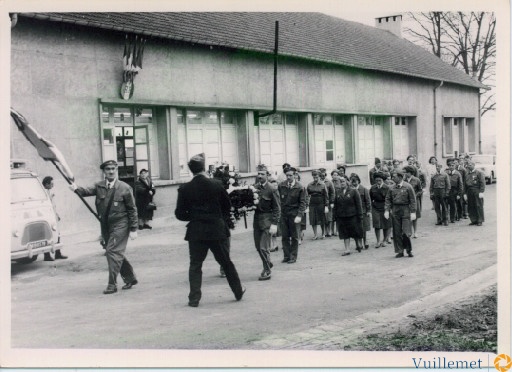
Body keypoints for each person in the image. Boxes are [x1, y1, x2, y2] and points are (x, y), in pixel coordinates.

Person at [175, 153, 245, 307]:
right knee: (226, 262)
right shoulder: (216, 184)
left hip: (196, 231)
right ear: (203, 168)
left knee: (195, 265)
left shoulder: (185, 188)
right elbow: (227, 206)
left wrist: (194, 216)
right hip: (216, 230)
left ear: (191, 170)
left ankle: (194, 299)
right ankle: (238, 291)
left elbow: (179, 214)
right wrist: (218, 218)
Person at [70, 160, 138, 294]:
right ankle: (130, 278)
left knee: (112, 251)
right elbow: (86, 191)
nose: (111, 171)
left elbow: (132, 209)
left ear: (116, 170)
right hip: (106, 225)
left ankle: (112, 284)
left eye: (113, 169)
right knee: (114, 251)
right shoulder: (99, 186)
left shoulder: (124, 188)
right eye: (108, 169)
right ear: (104, 172)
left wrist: (134, 228)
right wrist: (75, 188)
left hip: (121, 224)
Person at [253, 165, 280, 281]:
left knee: (264, 247)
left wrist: (275, 223)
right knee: (258, 247)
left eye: (262, 174)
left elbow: (277, 208)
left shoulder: (272, 189)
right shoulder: (254, 188)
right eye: (258, 174)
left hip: (267, 220)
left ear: (267, 176)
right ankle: (268, 261)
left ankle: (267, 270)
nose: (259, 176)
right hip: (257, 220)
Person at [384, 170, 417, 258]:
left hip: (405, 209)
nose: (392, 178)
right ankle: (400, 250)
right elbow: (388, 199)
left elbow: (413, 200)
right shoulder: (391, 188)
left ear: (400, 177)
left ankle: (409, 250)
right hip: (395, 210)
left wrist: (413, 212)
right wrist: (387, 210)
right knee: (397, 231)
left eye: (394, 176)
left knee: (406, 231)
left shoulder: (408, 187)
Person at [278, 167, 307, 263]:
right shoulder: (281, 185)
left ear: (295, 175)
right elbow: (278, 200)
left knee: (294, 236)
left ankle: (293, 256)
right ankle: (286, 256)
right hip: (284, 213)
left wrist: (299, 215)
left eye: (290, 175)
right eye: (287, 175)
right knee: (284, 236)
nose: (288, 177)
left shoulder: (300, 187)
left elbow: (303, 203)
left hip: (294, 214)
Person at [333, 176, 363, 256]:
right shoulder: (338, 192)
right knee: (344, 232)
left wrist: (360, 215)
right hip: (341, 216)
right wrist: (335, 215)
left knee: (355, 231)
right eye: (340, 182)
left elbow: (358, 205)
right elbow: (335, 205)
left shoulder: (353, 191)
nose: (342, 183)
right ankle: (347, 249)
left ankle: (358, 244)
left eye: (343, 182)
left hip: (352, 215)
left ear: (347, 182)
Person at [42, 176, 68, 261]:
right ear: (46, 184)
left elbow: (53, 206)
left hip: (53, 216)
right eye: (51, 184)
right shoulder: (43, 193)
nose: (53, 185)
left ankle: (58, 253)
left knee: (57, 234)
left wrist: (56, 214)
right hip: (47, 217)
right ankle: (47, 255)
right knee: (47, 236)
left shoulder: (49, 192)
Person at [369, 172, 392, 248]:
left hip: (385, 207)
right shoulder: (372, 188)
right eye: (376, 180)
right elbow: (370, 198)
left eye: (380, 180)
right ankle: (378, 241)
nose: (378, 182)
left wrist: (388, 209)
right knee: (377, 225)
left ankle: (384, 240)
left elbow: (390, 199)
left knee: (386, 224)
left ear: (383, 180)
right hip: (375, 207)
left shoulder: (387, 188)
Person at [350, 173, 371, 249]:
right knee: (355, 228)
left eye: (355, 181)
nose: (354, 183)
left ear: (358, 181)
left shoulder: (364, 189)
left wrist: (368, 210)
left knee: (363, 228)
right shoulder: (350, 190)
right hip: (353, 212)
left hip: (363, 211)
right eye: (352, 181)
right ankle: (358, 244)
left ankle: (365, 241)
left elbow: (368, 201)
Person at [306, 170, 329, 240]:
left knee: (322, 219)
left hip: (321, 203)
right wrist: (307, 205)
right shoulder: (309, 185)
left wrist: (326, 206)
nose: (315, 177)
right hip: (312, 204)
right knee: (313, 219)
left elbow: (326, 196)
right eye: (314, 176)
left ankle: (323, 233)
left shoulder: (323, 184)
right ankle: (315, 234)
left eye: (316, 176)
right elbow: (307, 195)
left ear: (319, 176)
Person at [463, 160, 485, 226]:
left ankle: (480, 220)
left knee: (478, 205)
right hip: (469, 191)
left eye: (470, 165)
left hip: (476, 190)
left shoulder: (479, 173)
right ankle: (474, 220)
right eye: (468, 165)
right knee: (471, 206)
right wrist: (464, 193)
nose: (469, 166)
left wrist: (481, 192)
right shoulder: (467, 174)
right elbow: (465, 184)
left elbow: (482, 183)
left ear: (473, 165)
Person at [403, 165, 423, 238]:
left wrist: (415, 196)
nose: (405, 174)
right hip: (406, 201)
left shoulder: (416, 180)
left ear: (410, 173)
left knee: (415, 217)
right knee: (407, 217)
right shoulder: (403, 180)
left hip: (414, 201)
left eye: (406, 173)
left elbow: (420, 190)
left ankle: (415, 232)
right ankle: (408, 232)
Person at [445, 158, 464, 223]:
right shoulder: (445, 173)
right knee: (446, 205)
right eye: (450, 166)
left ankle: (452, 218)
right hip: (447, 191)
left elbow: (460, 184)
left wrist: (459, 194)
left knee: (453, 205)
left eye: (452, 165)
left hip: (454, 191)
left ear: (455, 166)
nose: (451, 167)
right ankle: (446, 218)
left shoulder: (458, 174)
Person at [293, 169, 307, 245]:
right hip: (294, 208)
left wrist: (305, 207)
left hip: (301, 207)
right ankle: (297, 237)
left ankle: (299, 236)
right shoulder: (291, 187)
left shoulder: (302, 186)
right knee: (295, 224)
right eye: (294, 178)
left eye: (297, 178)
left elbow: (306, 197)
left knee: (301, 224)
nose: (295, 180)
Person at [267, 174, 281, 252]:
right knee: (272, 231)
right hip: (272, 213)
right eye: (273, 185)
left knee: (272, 230)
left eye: (276, 185)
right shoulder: (273, 193)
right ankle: (274, 245)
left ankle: (273, 245)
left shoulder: (276, 193)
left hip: (274, 213)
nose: (275, 187)